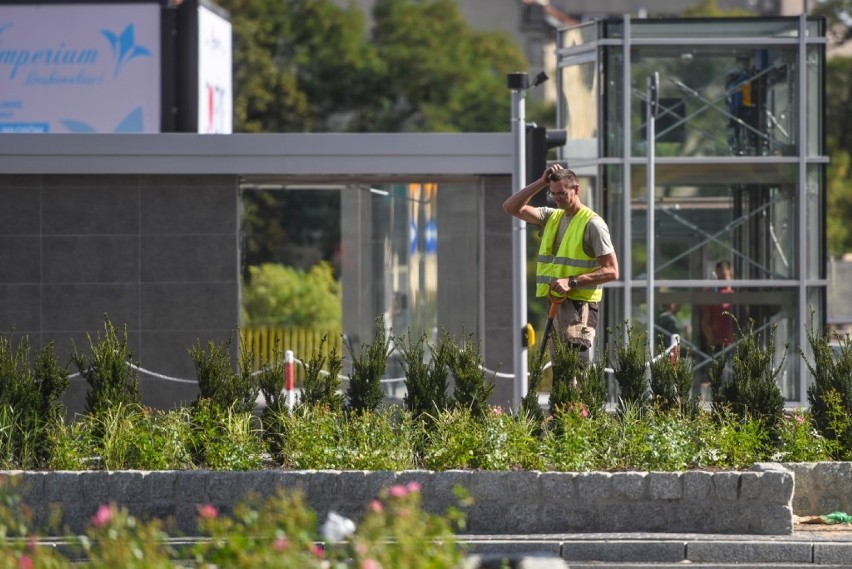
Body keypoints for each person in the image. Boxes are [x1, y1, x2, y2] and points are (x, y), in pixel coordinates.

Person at [502, 164, 619, 362]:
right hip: (556, 303)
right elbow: (511, 207)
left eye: (562, 193)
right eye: (553, 193)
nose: (557, 198)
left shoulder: (593, 224)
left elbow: (612, 271)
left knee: (577, 364)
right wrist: (541, 182)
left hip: (580, 306)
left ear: (576, 189)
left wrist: (571, 282)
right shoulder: (552, 216)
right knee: (561, 372)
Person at [700, 260, 735, 353]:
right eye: (719, 277)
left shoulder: (735, 293)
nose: (722, 281)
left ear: (731, 276)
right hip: (718, 343)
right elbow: (705, 321)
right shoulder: (711, 293)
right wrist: (711, 339)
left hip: (734, 342)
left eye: (724, 277)